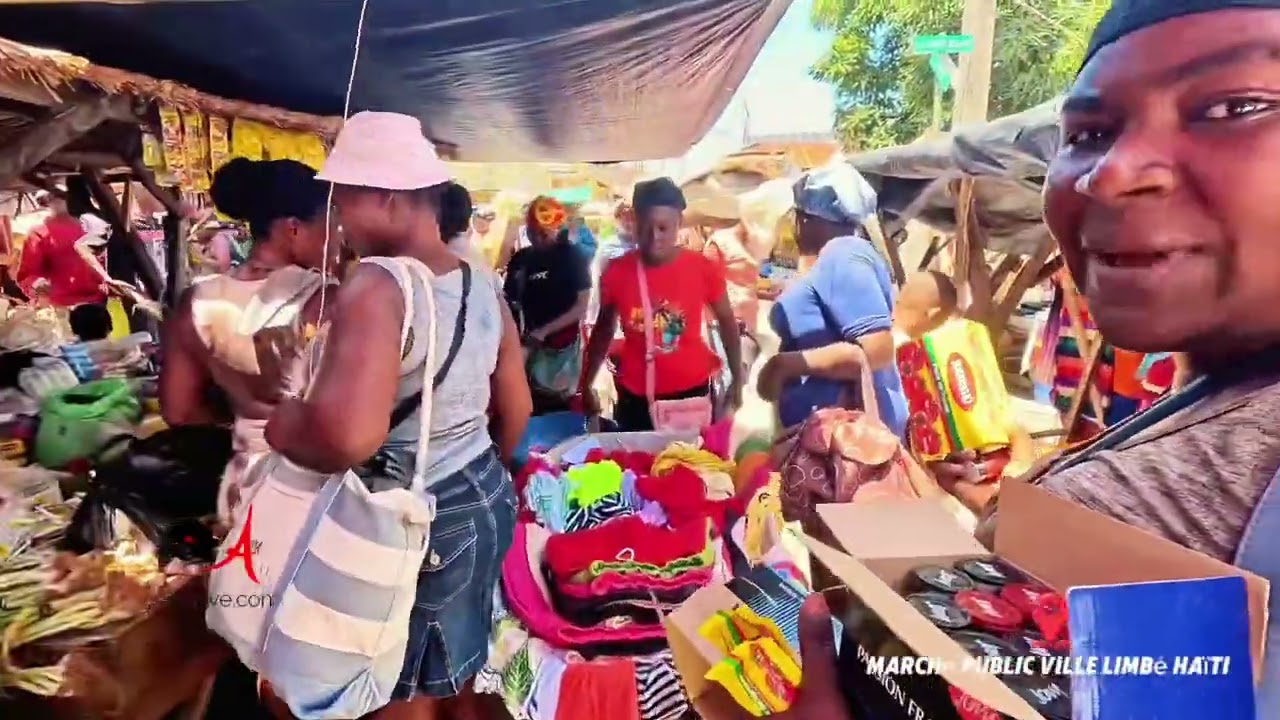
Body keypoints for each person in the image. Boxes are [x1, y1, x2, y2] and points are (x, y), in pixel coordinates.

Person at [764, 2, 1280, 716]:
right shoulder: (1219, 385)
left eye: (1235, 107)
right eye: (1089, 133)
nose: (1111, 172)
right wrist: (990, 515)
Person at [262, 111, 530, 720]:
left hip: (412, 516)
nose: (338, 220)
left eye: (344, 201)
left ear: (386, 196)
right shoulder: (480, 282)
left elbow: (349, 438)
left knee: (394, 691)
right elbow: (517, 407)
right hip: (483, 496)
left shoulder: (378, 283)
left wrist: (285, 422)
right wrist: (475, 473)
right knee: (449, 674)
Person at [159, 157, 336, 521]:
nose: (334, 239)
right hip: (310, 494)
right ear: (293, 228)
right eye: (328, 226)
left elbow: (179, 411)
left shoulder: (198, 300)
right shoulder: (323, 299)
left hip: (241, 488)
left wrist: (244, 417)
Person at [578, 177, 744, 431]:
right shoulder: (617, 271)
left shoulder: (701, 268)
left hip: (690, 394)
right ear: (635, 223)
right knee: (635, 456)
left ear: (679, 224)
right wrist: (587, 383)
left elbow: (727, 321)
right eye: (646, 227)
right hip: (636, 397)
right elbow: (603, 330)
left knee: (689, 455)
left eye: (663, 228)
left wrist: (737, 378)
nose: (654, 237)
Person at [757, 163, 908, 437]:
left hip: (848, 439)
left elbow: (877, 350)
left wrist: (785, 365)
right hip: (823, 434)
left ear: (807, 218)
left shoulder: (845, 254)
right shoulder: (830, 257)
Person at [504, 200, 591, 408]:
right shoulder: (521, 259)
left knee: (556, 403)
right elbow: (508, 300)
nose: (538, 238)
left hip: (561, 348)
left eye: (544, 232)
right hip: (525, 342)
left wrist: (544, 331)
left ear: (557, 227)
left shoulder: (572, 256)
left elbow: (581, 306)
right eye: (532, 232)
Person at [15, 190, 109, 309]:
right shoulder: (38, 233)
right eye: (56, 196)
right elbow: (27, 275)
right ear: (46, 200)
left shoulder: (97, 227)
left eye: (64, 195)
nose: (61, 200)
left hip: (98, 304)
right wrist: (37, 283)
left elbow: (111, 267)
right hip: (59, 309)